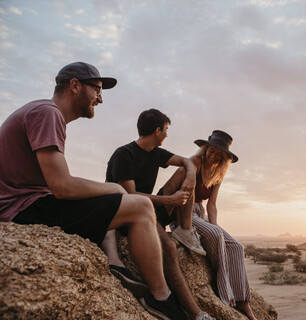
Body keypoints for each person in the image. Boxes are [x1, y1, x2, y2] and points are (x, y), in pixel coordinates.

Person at [0, 62, 195, 320]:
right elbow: (61, 186)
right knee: (140, 206)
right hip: (21, 209)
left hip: (27, 203)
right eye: (97, 89)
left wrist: (104, 191)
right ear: (75, 85)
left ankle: (115, 262)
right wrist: (113, 188)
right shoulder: (48, 113)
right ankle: (161, 298)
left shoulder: (43, 112)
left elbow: (56, 183)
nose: (100, 98)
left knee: (104, 196)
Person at [102, 108, 213, 320]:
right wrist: (169, 201)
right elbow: (132, 197)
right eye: (166, 130)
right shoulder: (124, 155)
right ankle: (196, 314)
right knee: (169, 249)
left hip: (150, 208)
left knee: (183, 172)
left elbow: (188, 161)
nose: (167, 135)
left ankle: (185, 231)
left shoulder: (156, 153)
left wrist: (190, 175)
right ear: (157, 130)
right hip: (129, 214)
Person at [184, 130, 257, 320]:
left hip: (201, 214)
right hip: (185, 212)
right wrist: (214, 232)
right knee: (216, 235)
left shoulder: (218, 172)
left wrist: (215, 227)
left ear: (224, 157)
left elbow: (212, 204)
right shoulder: (196, 162)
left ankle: (243, 302)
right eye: (212, 151)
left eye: (219, 154)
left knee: (236, 247)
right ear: (206, 148)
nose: (214, 156)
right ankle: (224, 292)